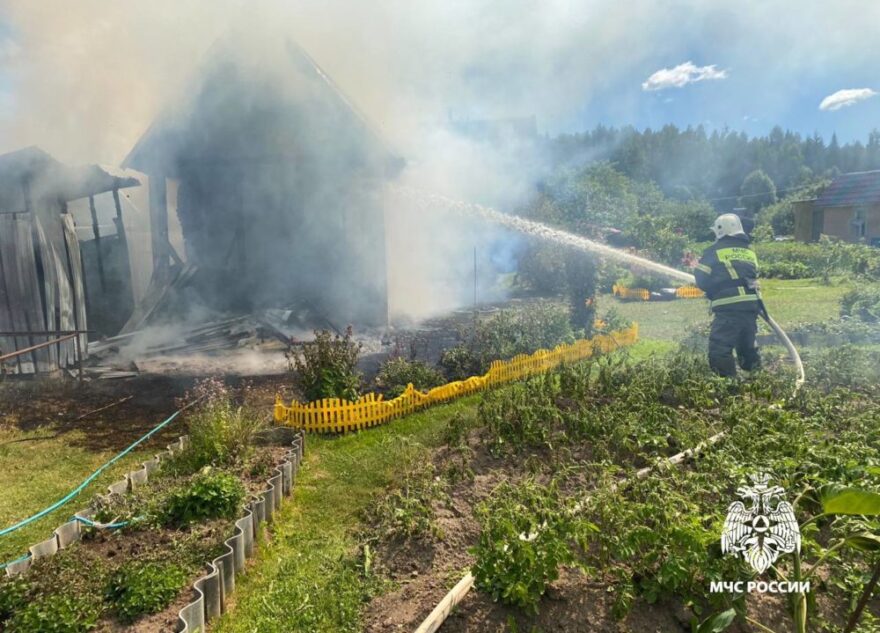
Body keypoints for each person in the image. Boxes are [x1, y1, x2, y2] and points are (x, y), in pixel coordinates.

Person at [693, 213, 761, 378]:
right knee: (747, 346)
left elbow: (701, 278)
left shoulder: (714, 251)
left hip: (729, 307)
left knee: (720, 348)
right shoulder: (749, 252)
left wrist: (712, 289)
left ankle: (728, 385)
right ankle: (757, 378)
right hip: (751, 306)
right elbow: (751, 274)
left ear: (720, 230)